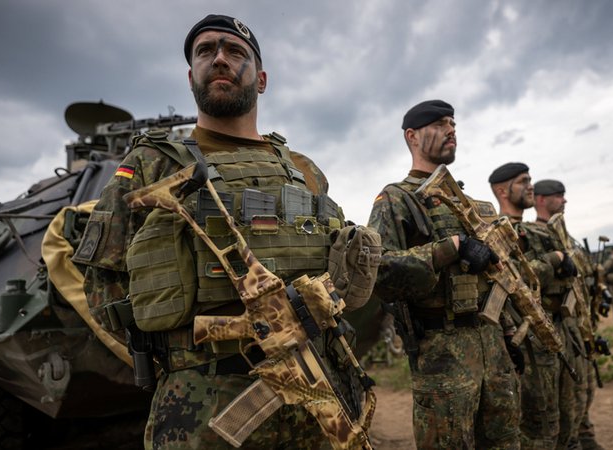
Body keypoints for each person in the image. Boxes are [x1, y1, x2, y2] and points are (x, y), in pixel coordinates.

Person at [74, 15, 366, 449]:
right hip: (203, 402)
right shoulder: (151, 164)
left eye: (235, 52)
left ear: (261, 79)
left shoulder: (305, 172)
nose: (219, 59)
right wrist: (178, 349)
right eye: (205, 51)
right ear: (191, 75)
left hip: (321, 387)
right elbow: (102, 284)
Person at [368, 100, 522, 449]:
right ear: (412, 137)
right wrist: (449, 247)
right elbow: (379, 270)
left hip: (492, 345)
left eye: (452, 123)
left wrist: (510, 333)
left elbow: (498, 277)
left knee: (505, 440)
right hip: (442, 355)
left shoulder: (472, 206)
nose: (451, 130)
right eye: (438, 124)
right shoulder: (397, 199)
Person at [489, 164, 579, 449]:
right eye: (523, 181)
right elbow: (513, 276)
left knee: (558, 414)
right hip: (523, 339)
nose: (531, 186)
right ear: (502, 191)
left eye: (530, 180)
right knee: (535, 423)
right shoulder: (497, 231)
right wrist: (554, 259)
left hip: (547, 330)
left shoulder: (532, 231)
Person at [532, 179, 605, 450]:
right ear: (541, 199)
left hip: (577, 323)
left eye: (563, 196)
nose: (564, 201)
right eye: (558, 196)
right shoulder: (535, 234)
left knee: (584, 390)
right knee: (561, 399)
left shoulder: (567, 238)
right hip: (554, 325)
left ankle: (584, 437)